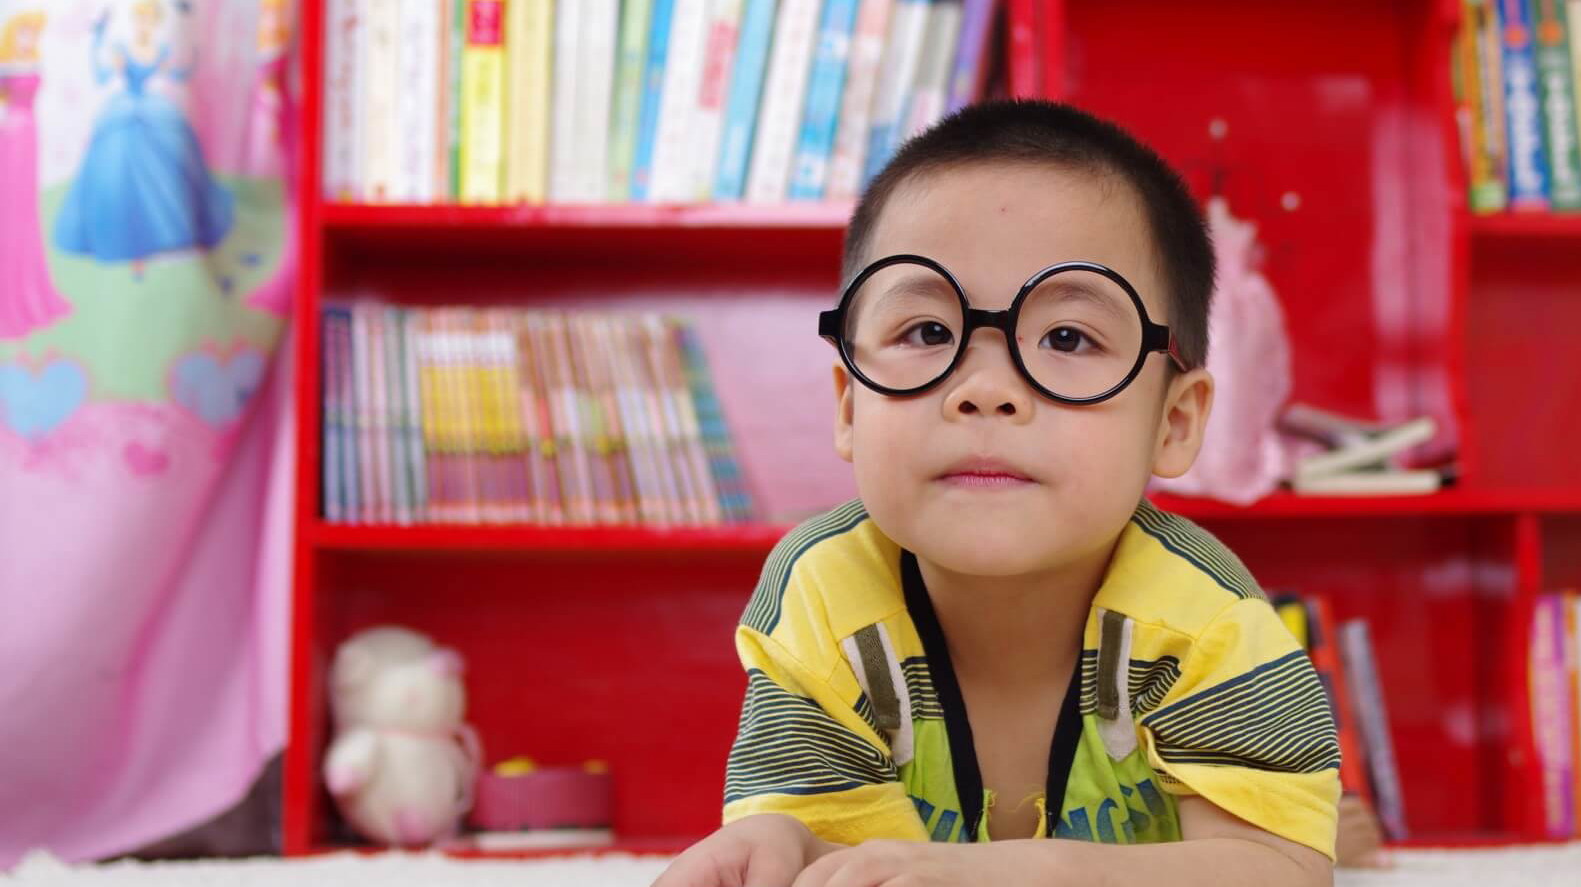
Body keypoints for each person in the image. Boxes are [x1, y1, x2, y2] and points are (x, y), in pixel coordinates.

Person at [655, 99, 1340, 887]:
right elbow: (851, 857)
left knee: (1324, 834)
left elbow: (1278, 870)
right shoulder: (822, 595)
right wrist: (782, 843)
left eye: (1067, 337)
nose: (985, 390)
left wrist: (1033, 872)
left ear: (1173, 421)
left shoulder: (1206, 617)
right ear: (848, 405)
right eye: (927, 333)